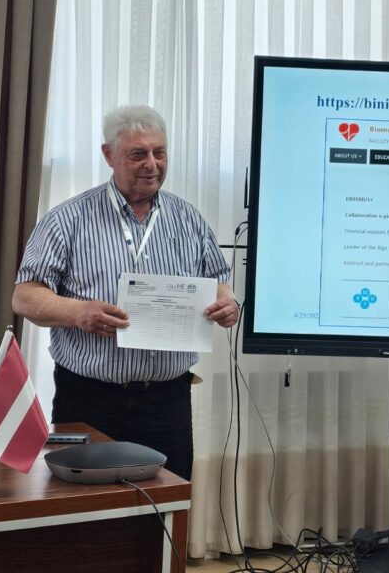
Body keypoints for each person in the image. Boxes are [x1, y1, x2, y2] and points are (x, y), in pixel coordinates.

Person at [12, 104, 238, 479]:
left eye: (159, 152)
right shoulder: (68, 219)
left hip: (168, 401)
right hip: (90, 399)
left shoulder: (189, 219)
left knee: (167, 502)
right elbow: (24, 296)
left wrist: (227, 303)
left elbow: (218, 281)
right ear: (109, 155)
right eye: (138, 154)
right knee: (88, 505)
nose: (152, 164)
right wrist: (77, 312)